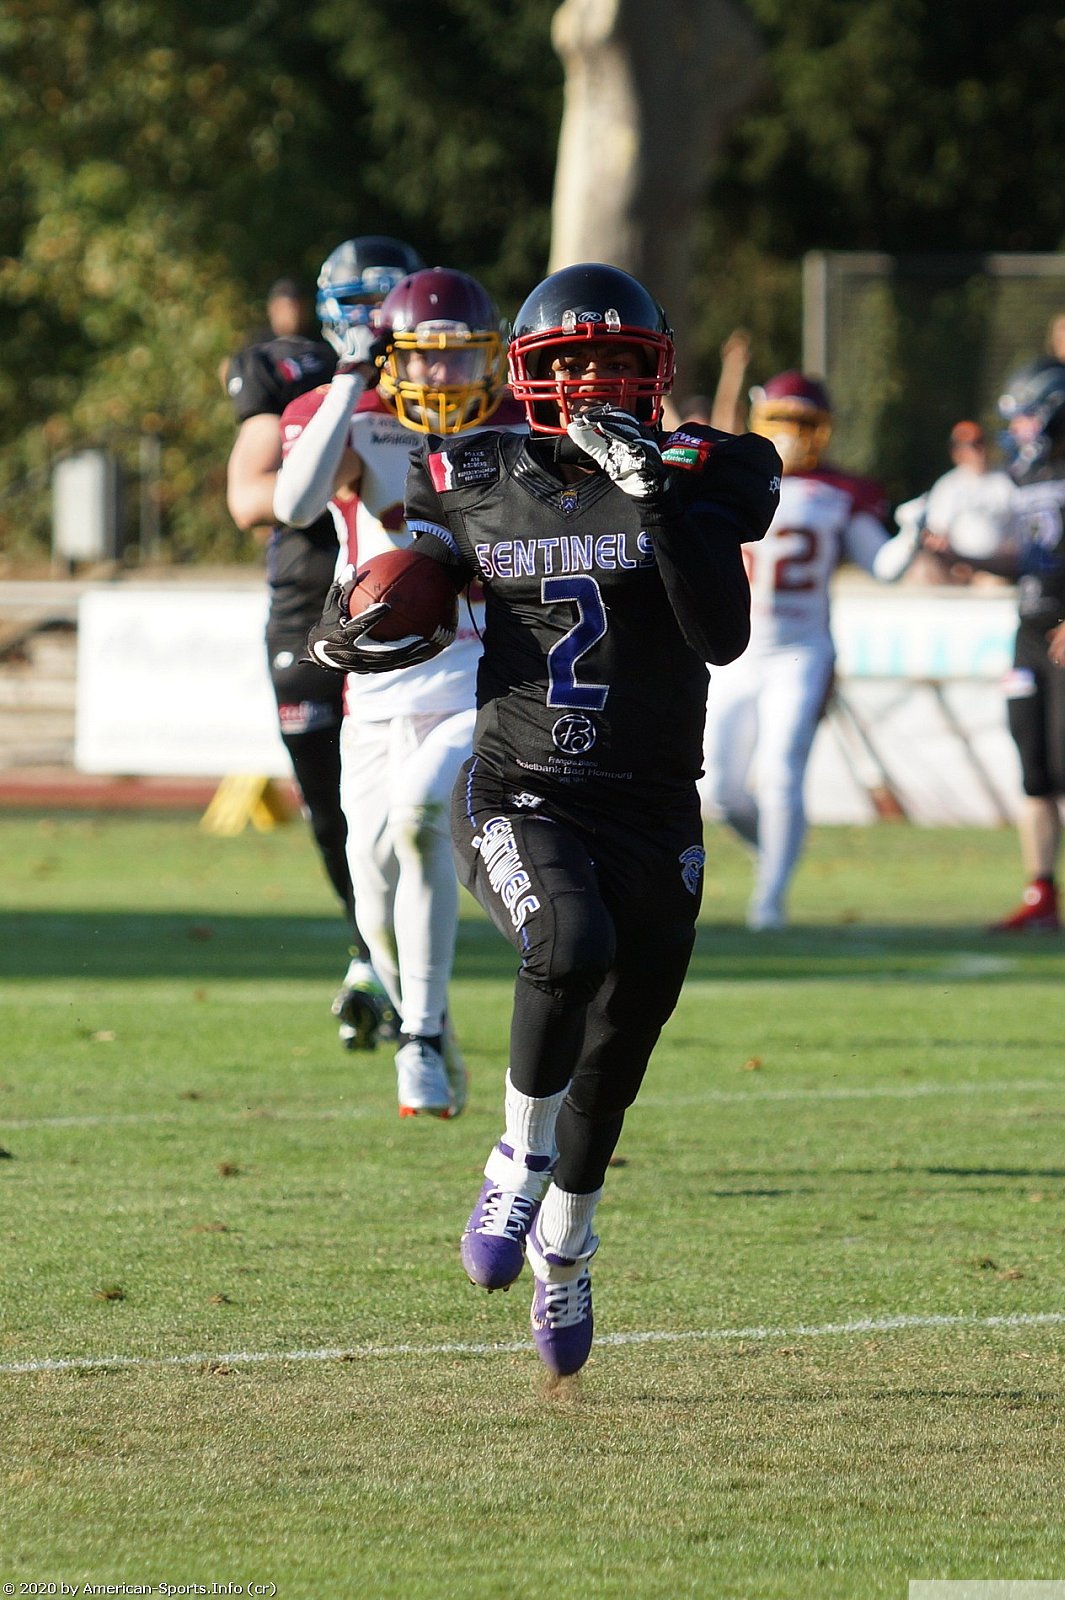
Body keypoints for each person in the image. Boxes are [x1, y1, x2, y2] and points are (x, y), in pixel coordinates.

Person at [303, 261, 781, 1378]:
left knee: (620, 1047)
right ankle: (515, 1160)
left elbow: (719, 636)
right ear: (532, 375)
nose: (594, 380)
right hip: (522, 783)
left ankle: (567, 1244)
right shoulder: (473, 469)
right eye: (572, 361)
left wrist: (654, 495)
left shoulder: (715, 466)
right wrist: (358, 614)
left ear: (653, 369)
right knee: (569, 942)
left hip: (651, 798)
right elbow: (417, 572)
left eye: (616, 359)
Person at [274, 265, 525, 1118]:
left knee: (421, 821)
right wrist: (350, 379)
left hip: (478, 676)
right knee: (372, 893)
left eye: (460, 356)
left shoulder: (518, 429)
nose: (440, 373)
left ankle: (416, 1035)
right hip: (376, 686)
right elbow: (293, 502)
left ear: (491, 357)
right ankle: (433, 1027)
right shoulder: (351, 414)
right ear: (393, 356)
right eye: (423, 354)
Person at [225, 235, 424, 1047]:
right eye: (358, 302)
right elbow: (250, 498)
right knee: (335, 811)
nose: (373, 319)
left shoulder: (451, 382)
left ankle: (405, 975)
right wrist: (346, 446)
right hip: (313, 604)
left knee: (420, 805)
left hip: (418, 607)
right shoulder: (295, 376)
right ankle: (371, 954)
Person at [697, 371, 924, 930]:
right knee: (718, 788)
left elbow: (883, 567)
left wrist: (914, 530)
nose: (792, 435)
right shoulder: (731, 474)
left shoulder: (841, 490)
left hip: (800, 652)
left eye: (803, 423)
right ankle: (775, 852)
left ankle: (769, 901)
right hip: (733, 652)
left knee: (781, 773)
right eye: (782, 420)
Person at [924, 359, 1065, 933]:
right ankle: (1041, 894)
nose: (1021, 429)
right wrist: (962, 556)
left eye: (1030, 417)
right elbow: (1030, 561)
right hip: (1031, 633)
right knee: (1035, 771)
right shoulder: (1027, 477)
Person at [892, 420, 1015, 586]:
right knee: (921, 572)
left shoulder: (1005, 481)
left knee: (993, 585)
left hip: (996, 565)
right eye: (970, 446)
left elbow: (1019, 531)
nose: (977, 451)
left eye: (979, 444)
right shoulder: (948, 485)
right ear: (957, 452)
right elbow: (937, 533)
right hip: (956, 565)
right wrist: (951, 557)